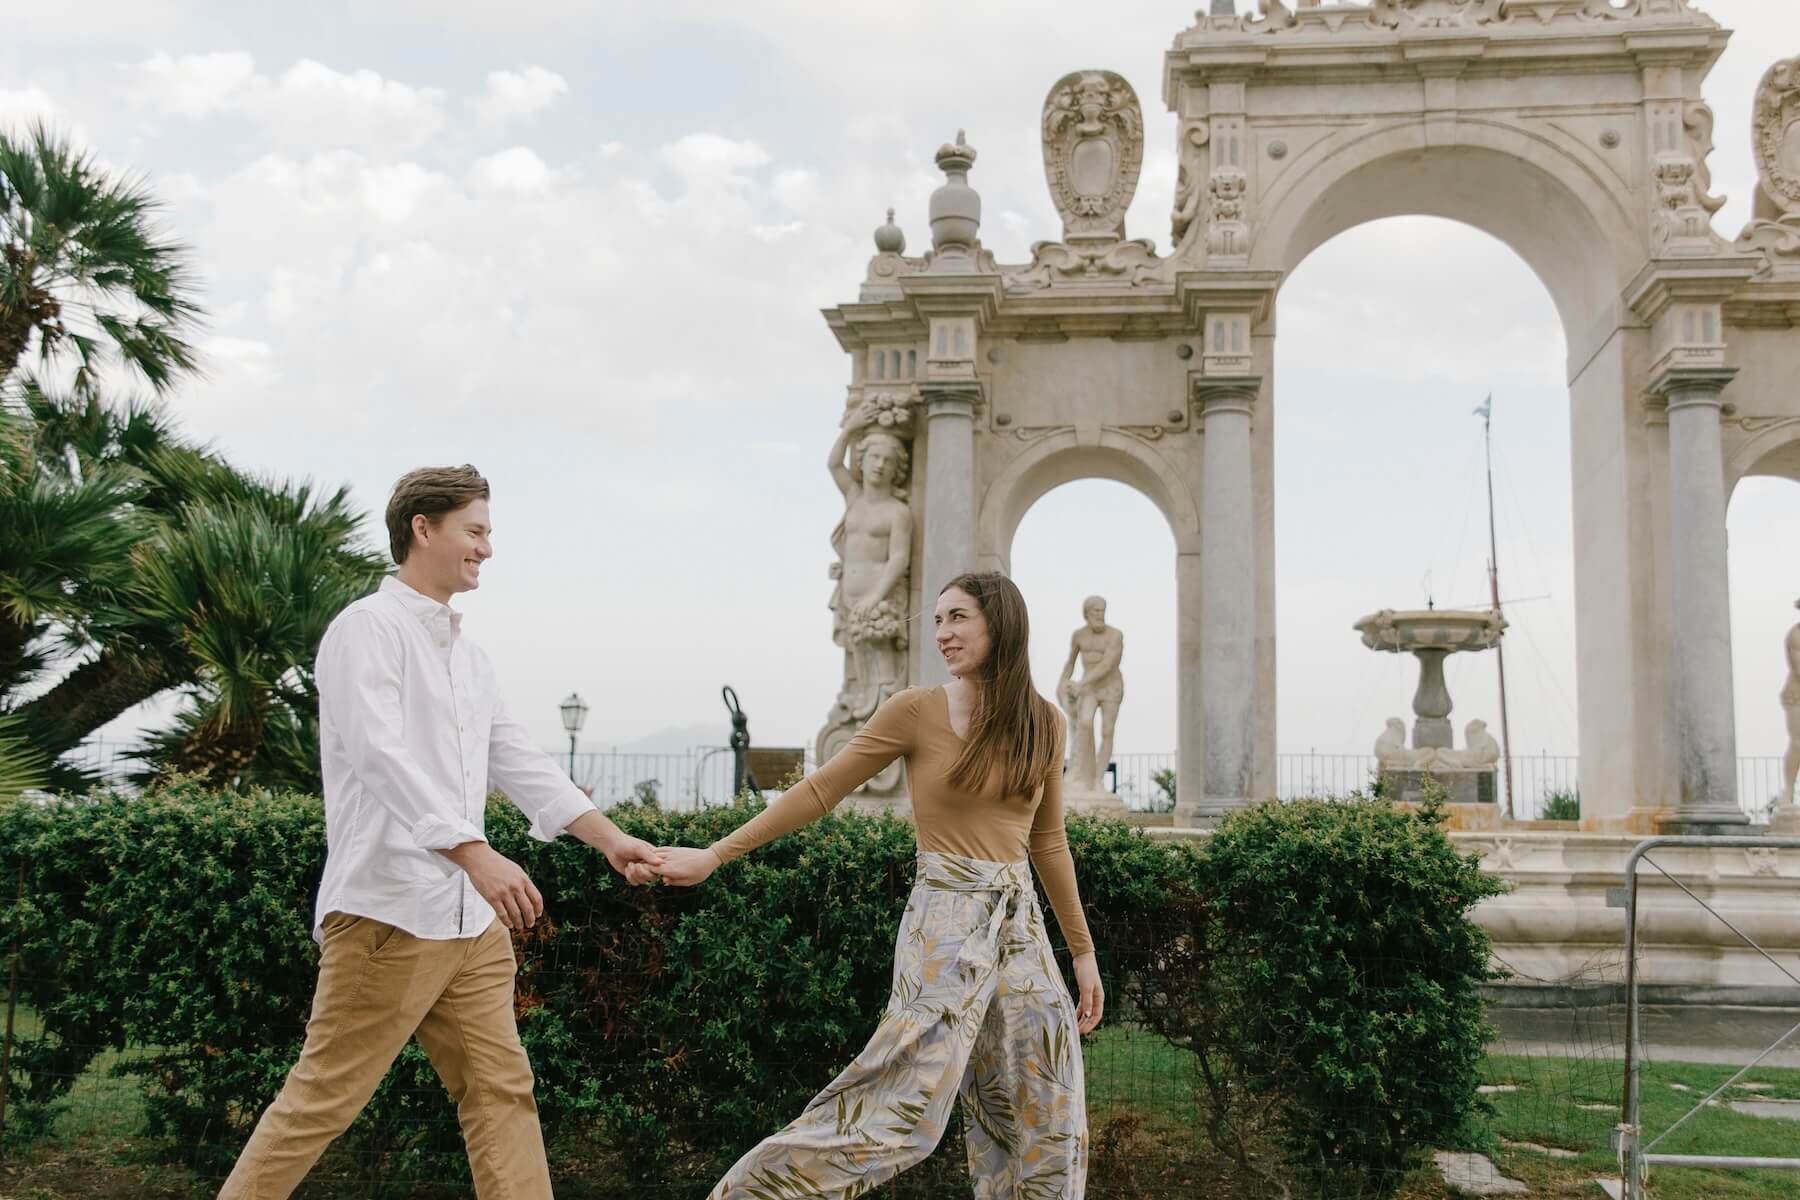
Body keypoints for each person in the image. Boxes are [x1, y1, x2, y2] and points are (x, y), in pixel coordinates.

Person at [220, 464, 664, 1200]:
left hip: (469, 924)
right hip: (387, 913)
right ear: (422, 529)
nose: (487, 548)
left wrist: (611, 840)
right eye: (475, 531)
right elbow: (379, 757)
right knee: (321, 1100)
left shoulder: (469, 658)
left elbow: (516, 758)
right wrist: (473, 852)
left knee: (500, 1092)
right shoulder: (366, 629)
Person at [659, 570, 1102, 1200]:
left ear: (1000, 624)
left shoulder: (1044, 722)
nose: (943, 633)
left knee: (1045, 1101)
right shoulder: (915, 710)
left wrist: (1082, 952)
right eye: (939, 620)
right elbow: (821, 790)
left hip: (1020, 930)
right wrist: (714, 854)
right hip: (945, 927)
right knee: (898, 1108)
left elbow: (1048, 843)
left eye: (958, 618)